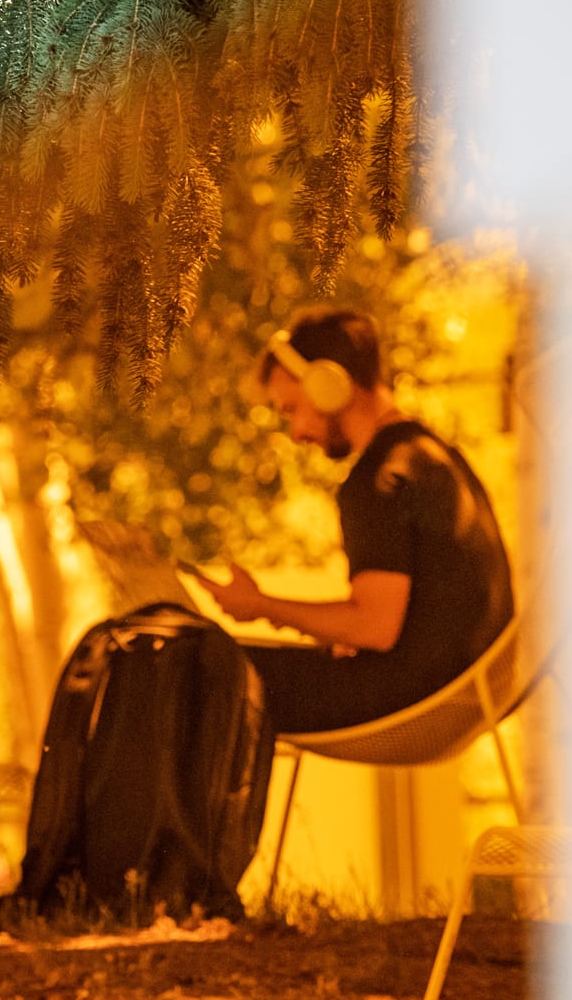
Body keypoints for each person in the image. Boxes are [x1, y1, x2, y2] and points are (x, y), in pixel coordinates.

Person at [194, 308, 515, 736]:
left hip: (420, 700)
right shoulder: (432, 454)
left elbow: (374, 627)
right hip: (476, 687)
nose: (295, 432)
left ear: (328, 386)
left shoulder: (378, 480)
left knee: (195, 670)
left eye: (291, 410)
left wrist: (260, 606)